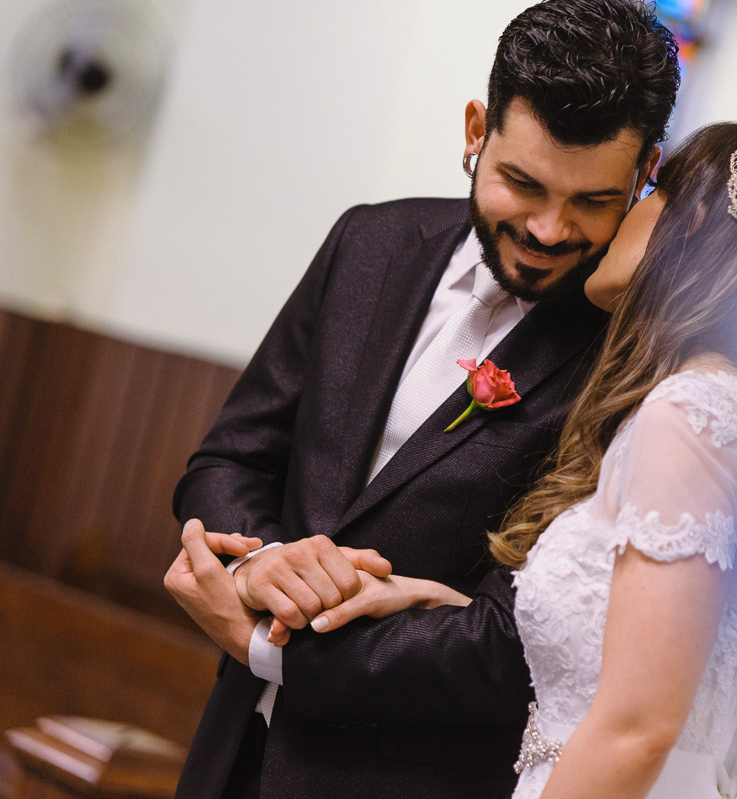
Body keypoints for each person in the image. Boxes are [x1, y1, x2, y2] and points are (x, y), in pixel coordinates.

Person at [161, 2, 681, 798]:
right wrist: (267, 560)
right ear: (478, 129)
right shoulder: (369, 241)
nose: (548, 228)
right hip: (233, 749)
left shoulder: (627, 361)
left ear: (645, 174)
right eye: (522, 182)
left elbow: (520, 642)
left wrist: (276, 646)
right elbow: (230, 457)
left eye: (591, 202)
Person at [306, 122, 737, 797]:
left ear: (693, 218)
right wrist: (427, 597)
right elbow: (637, 643)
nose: (622, 217)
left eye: (650, 191)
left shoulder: (693, 414)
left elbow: (637, 728)